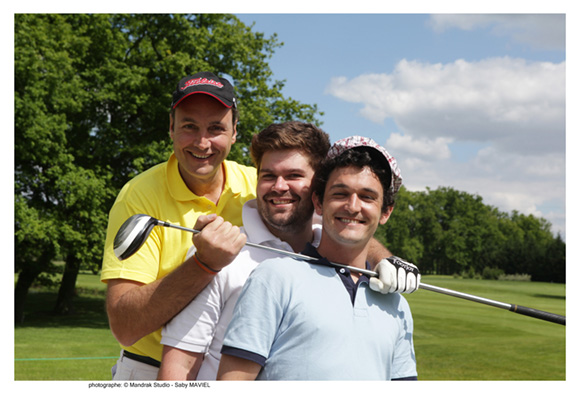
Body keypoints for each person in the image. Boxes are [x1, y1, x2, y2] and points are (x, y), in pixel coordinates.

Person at [156, 123, 418, 380]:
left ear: (316, 191)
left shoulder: (335, 252)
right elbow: (178, 367)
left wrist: (386, 259)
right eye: (268, 176)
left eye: (293, 176)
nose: (279, 186)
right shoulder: (220, 254)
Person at [100, 71, 257, 380]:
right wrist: (204, 264)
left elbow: (335, 223)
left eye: (216, 128)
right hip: (148, 371)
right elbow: (125, 326)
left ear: (235, 132)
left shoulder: (258, 185)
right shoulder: (139, 194)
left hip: (235, 374)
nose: (202, 142)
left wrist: (380, 257)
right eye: (189, 127)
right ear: (170, 128)